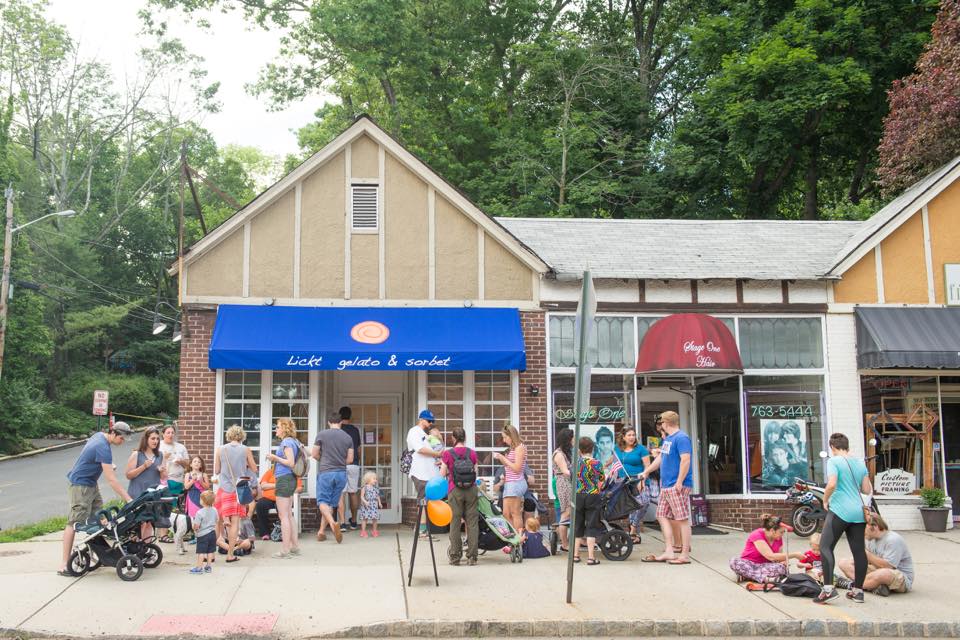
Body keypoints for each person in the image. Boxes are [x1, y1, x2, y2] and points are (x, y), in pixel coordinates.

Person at [59, 421, 134, 576]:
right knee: (74, 522)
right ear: (114, 433)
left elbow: (91, 456)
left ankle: (102, 554)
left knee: (100, 518)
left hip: (91, 484)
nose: (122, 442)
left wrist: (108, 464)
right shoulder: (103, 448)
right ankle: (64, 564)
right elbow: (112, 480)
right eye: (121, 439)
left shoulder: (99, 436)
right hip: (81, 486)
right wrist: (128, 499)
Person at [814, 432, 873, 605]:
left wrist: (825, 500)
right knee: (858, 551)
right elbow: (866, 489)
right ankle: (858, 591)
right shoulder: (860, 463)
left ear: (832, 447)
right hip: (858, 512)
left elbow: (832, 484)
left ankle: (827, 590)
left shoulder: (834, 461)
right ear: (847, 446)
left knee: (825, 547)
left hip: (840, 510)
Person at [639, 410, 693, 564]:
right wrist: (646, 472)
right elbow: (661, 459)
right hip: (666, 485)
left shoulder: (682, 438)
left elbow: (686, 460)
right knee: (661, 515)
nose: (660, 425)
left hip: (677, 485)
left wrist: (679, 482)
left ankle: (684, 555)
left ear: (667, 423)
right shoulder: (668, 439)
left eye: (661, 422)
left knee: (682, 519)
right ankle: (669, 550)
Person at [838, 514, 914, 597]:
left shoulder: (893, 540)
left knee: (883, 573)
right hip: (877, 570)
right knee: (843, 563)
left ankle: (852, 585)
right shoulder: (871, 539)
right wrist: (856, 559)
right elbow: (866, 561)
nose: (860, 532)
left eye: (863, 528)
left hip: (900, 577)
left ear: (874, 527)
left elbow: (888, 566)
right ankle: (874, 586)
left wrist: (866, 554)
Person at [214, 424, 258, 563]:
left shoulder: (220, 449)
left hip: (224, 489)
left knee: (219, 520)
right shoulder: (245, 449)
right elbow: (254, 468)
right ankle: (230, 554)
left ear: (229, 435)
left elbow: (216, 470)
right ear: (242, 437)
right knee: (235, 523)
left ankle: (214, 551)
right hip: (238, 490)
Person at [312, 411, 354, 544]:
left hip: (326, 472)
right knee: (330, 504)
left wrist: (323, 459)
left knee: (323, 502)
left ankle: (332, 523)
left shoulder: (322, 434)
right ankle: (321, 532)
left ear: (329, 422)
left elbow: (314, 454)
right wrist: (339, 462)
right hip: (341, 474)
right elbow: (350, 459)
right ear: (341, 422)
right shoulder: (348, 437)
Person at [439, 426, 479, 566]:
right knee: (472, 523)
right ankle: (472, 557)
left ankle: (455, 557)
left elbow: (442, 474)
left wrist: (444, 466)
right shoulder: (472, 453)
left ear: (453, 438)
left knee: (455, 522)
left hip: (455, 490)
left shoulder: (447, 454)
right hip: (471, 489)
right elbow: (475, 472)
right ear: (465, 438)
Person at [729, 514, 803, 584]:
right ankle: (766, 579)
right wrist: (794, 555)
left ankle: (747, 576)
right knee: (734, 561)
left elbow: (779, 557)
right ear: (772, 531)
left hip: (765, 566)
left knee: (781, 568)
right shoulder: (757, 534)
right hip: (749, 563)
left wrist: (784, 562)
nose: (782, 534)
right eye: (781, 532)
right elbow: (770, 556)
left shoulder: (778, 538)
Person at [266, 417, 302, 558]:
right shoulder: (295, 441)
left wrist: (275, 458)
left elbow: (291, 462)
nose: (276, 429)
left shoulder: (286, 442)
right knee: (289, 515)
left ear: (284, 428)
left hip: (284, 479)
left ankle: (285, 550)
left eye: (278, 426)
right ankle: (294, 547)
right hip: (291, 479)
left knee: (283, 516)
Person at [406, 409, 442, 538]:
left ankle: (422, 529)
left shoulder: (425, 434)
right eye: (429, 421)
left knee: (427, 501)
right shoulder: (414, 431)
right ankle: (421, 531)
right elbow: (420, 449)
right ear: (421, 419)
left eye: (432, 421)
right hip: (421, 473)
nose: (431, 423)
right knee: (423, 501)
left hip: (429, 474)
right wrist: (437, 454)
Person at [125, 427, 166, 541]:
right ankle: (135, 549)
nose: (155, 441)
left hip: (152, 495)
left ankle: (146, 548)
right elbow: (128, 475)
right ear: (146, 439)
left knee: (148, 523)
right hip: (137, 493)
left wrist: (162, 471)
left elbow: (163, 477)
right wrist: (143, 467)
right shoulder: (137, 454)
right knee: (138, 524)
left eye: (157, 439)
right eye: (153, 438)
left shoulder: (160, 455)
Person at [614, 426, 651, 541]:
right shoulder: (617, 449)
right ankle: (635, 535)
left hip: (638, 479)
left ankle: (634, 527)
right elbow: (614, 462)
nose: (631, 437)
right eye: (629, 435)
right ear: (623, 437)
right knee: (631, 506)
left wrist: (642, 481)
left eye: (633, 435)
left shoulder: (641, 449)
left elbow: (647, 467)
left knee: (644, 502)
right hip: (624, 481)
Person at [573, 436, 604, 565]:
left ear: (579, 449)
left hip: (578, 495)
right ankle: (591, 557)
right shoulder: (597, 463)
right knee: (591, 525)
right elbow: (601, 479)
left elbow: (572, 478)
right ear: (592, 448)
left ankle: (575, 555)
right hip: (592, 495)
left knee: (578, 524)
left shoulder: (576, 462)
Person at [157, 424, 189, 544]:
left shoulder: (180, 447)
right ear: (163, 434)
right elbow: (153, 462)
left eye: (172, 432)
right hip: (165, 479)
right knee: (165, 506)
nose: (170, 435)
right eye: (168, 432)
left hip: (178, 480)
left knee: (175, 507)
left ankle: (175, 533)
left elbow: (188, 464)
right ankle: (163, 535)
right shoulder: (159, 446)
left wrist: (181, 461)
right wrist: (163, 458)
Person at [494, 424, 526, 535]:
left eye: (504, 437)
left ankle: (519, 539)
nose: (503, 440)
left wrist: (503, 458)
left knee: (515, 513)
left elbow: (517, 468)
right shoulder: (513, 449)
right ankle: (514, 537)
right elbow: (509, 466)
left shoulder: (520, 448)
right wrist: (501, 459)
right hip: (510, 483)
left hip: (516, 482)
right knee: (506, 514)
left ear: (511, 436)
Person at [338, 406, 362, 531]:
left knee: (341, 493)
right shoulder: (355, 430)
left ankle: (342, 523)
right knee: (353, 493)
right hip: (353, 464)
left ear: (339, 416)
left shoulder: (338, 429)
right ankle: (353, 521)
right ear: (350, 416)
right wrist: (358, 460)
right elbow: (358, 449)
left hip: (340, 464)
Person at [552, 428, 574, 553]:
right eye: (572, 438)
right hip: (564, 483)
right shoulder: (559, 454)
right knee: (566, 513)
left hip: (567, 483)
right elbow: (565, 472)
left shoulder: (564, 452)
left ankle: (566, 542)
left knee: (568, 512)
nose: (573, 440)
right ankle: (565, 544)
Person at [191, 490, 218, 575]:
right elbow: (217, 519)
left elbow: (196, 525)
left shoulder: (199, 512)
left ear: (203, 501)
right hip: (212, 533)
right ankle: (208, 566)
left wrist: (194, 529)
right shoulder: (214, 510)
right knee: (210, 551)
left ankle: (199, 567)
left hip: (203, 535)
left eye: (200, 499)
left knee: (201, 552)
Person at [358, 471, 382, 538]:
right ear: (368, 479)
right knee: (365, 518)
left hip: (374, 504)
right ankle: (363, 531)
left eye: (376, 479)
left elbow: (377, 496)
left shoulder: (375, 488)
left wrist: (379, 503)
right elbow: (361, 496)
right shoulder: (364, 487)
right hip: (366, 505)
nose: (376, 480)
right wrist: (365, 501)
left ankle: (374, 531)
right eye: (374, 479)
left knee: (374, 518)